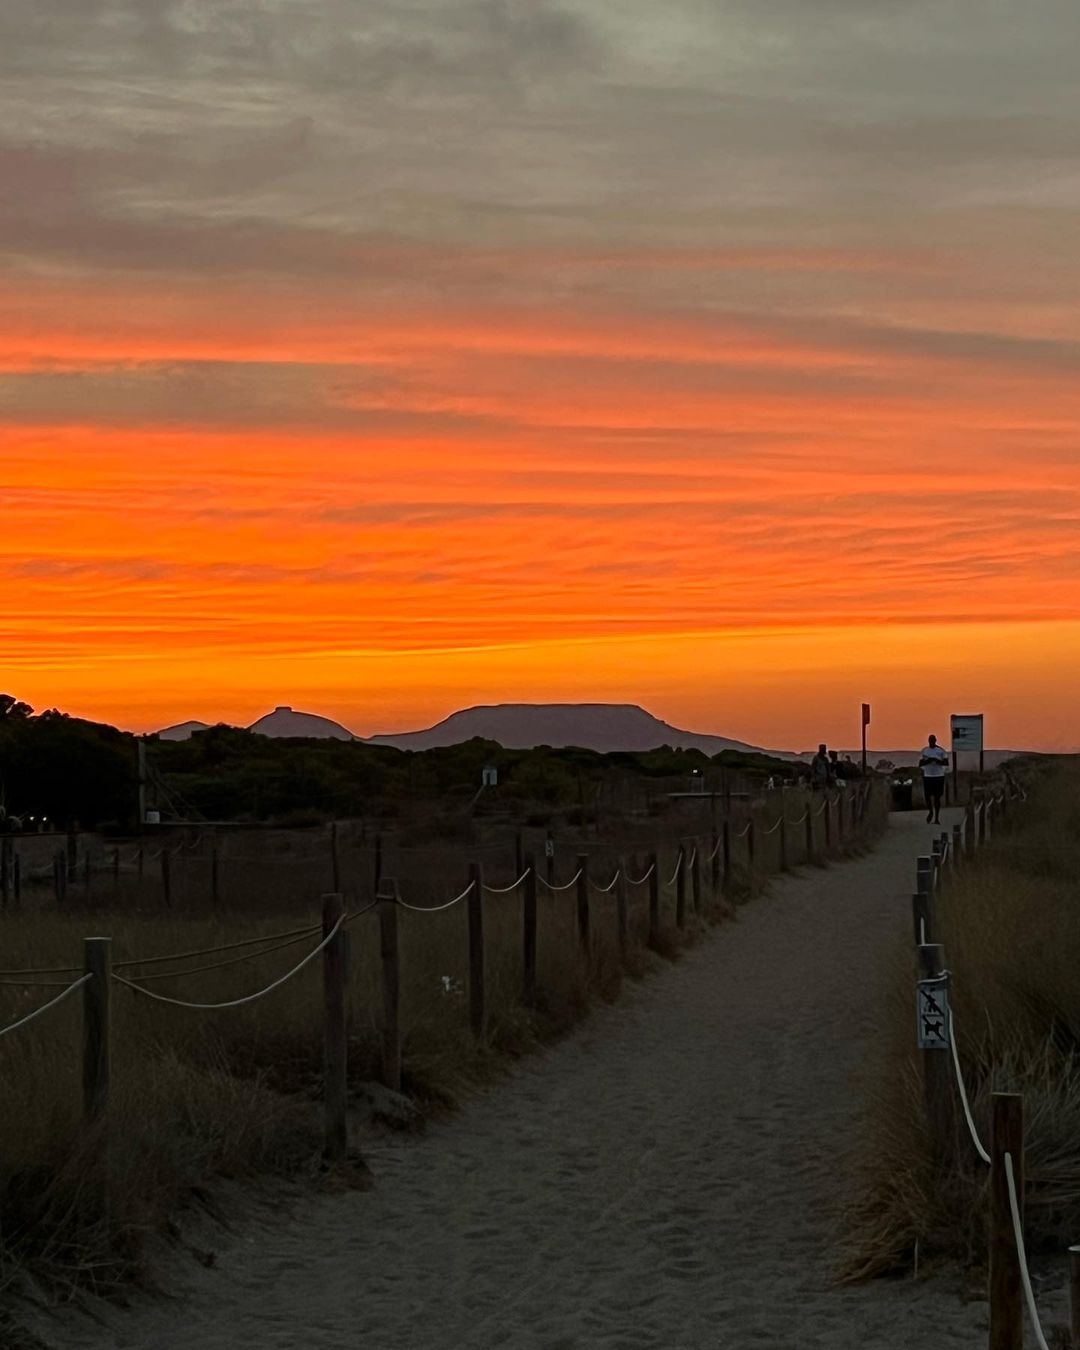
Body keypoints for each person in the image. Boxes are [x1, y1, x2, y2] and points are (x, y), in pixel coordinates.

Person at [919, 734, 949, 824]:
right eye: (930, 740)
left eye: (933, 740)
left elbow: (946, 762)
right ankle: (931, 811)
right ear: (928, 741)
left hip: (938, 776)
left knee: (937, 798)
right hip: (928, 776)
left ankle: (936, 817)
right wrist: (929, 760)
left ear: (935, 741)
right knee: (927, 796)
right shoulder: (925, 751)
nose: (931, 742)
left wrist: (937, 760)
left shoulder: (941, 751)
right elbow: (920, 764)